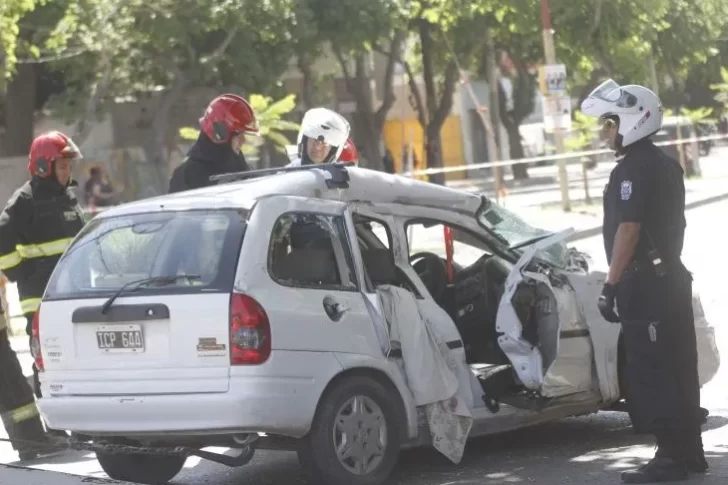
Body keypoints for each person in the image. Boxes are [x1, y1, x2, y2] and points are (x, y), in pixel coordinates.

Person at [581, 79, 705, 483]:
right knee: (679, 364)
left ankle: (669, 458)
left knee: (653, 369)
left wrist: (610, 285)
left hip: (647, 286)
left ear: (632, 120)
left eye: (609, 124)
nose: (606, 133)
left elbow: (629, 230)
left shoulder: (631, 171)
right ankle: (688, 454)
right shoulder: (666, 163)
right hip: (670, 279)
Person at [0, 131, 86, 459]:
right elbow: (2, 242)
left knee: (73, 361)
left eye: (67, 167)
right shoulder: (25, 200)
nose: (66, 172)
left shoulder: (68, 198)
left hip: (72, 295)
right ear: (41, 166)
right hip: (41, 299)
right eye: (61, 166)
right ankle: (53, 427)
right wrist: (22, 273)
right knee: (47, 364)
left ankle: (75, 423)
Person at [168, 94, 260, 193]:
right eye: (239, 135)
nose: (243, 141)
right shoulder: (186, 176)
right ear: (220, 133)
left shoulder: (241, 167)